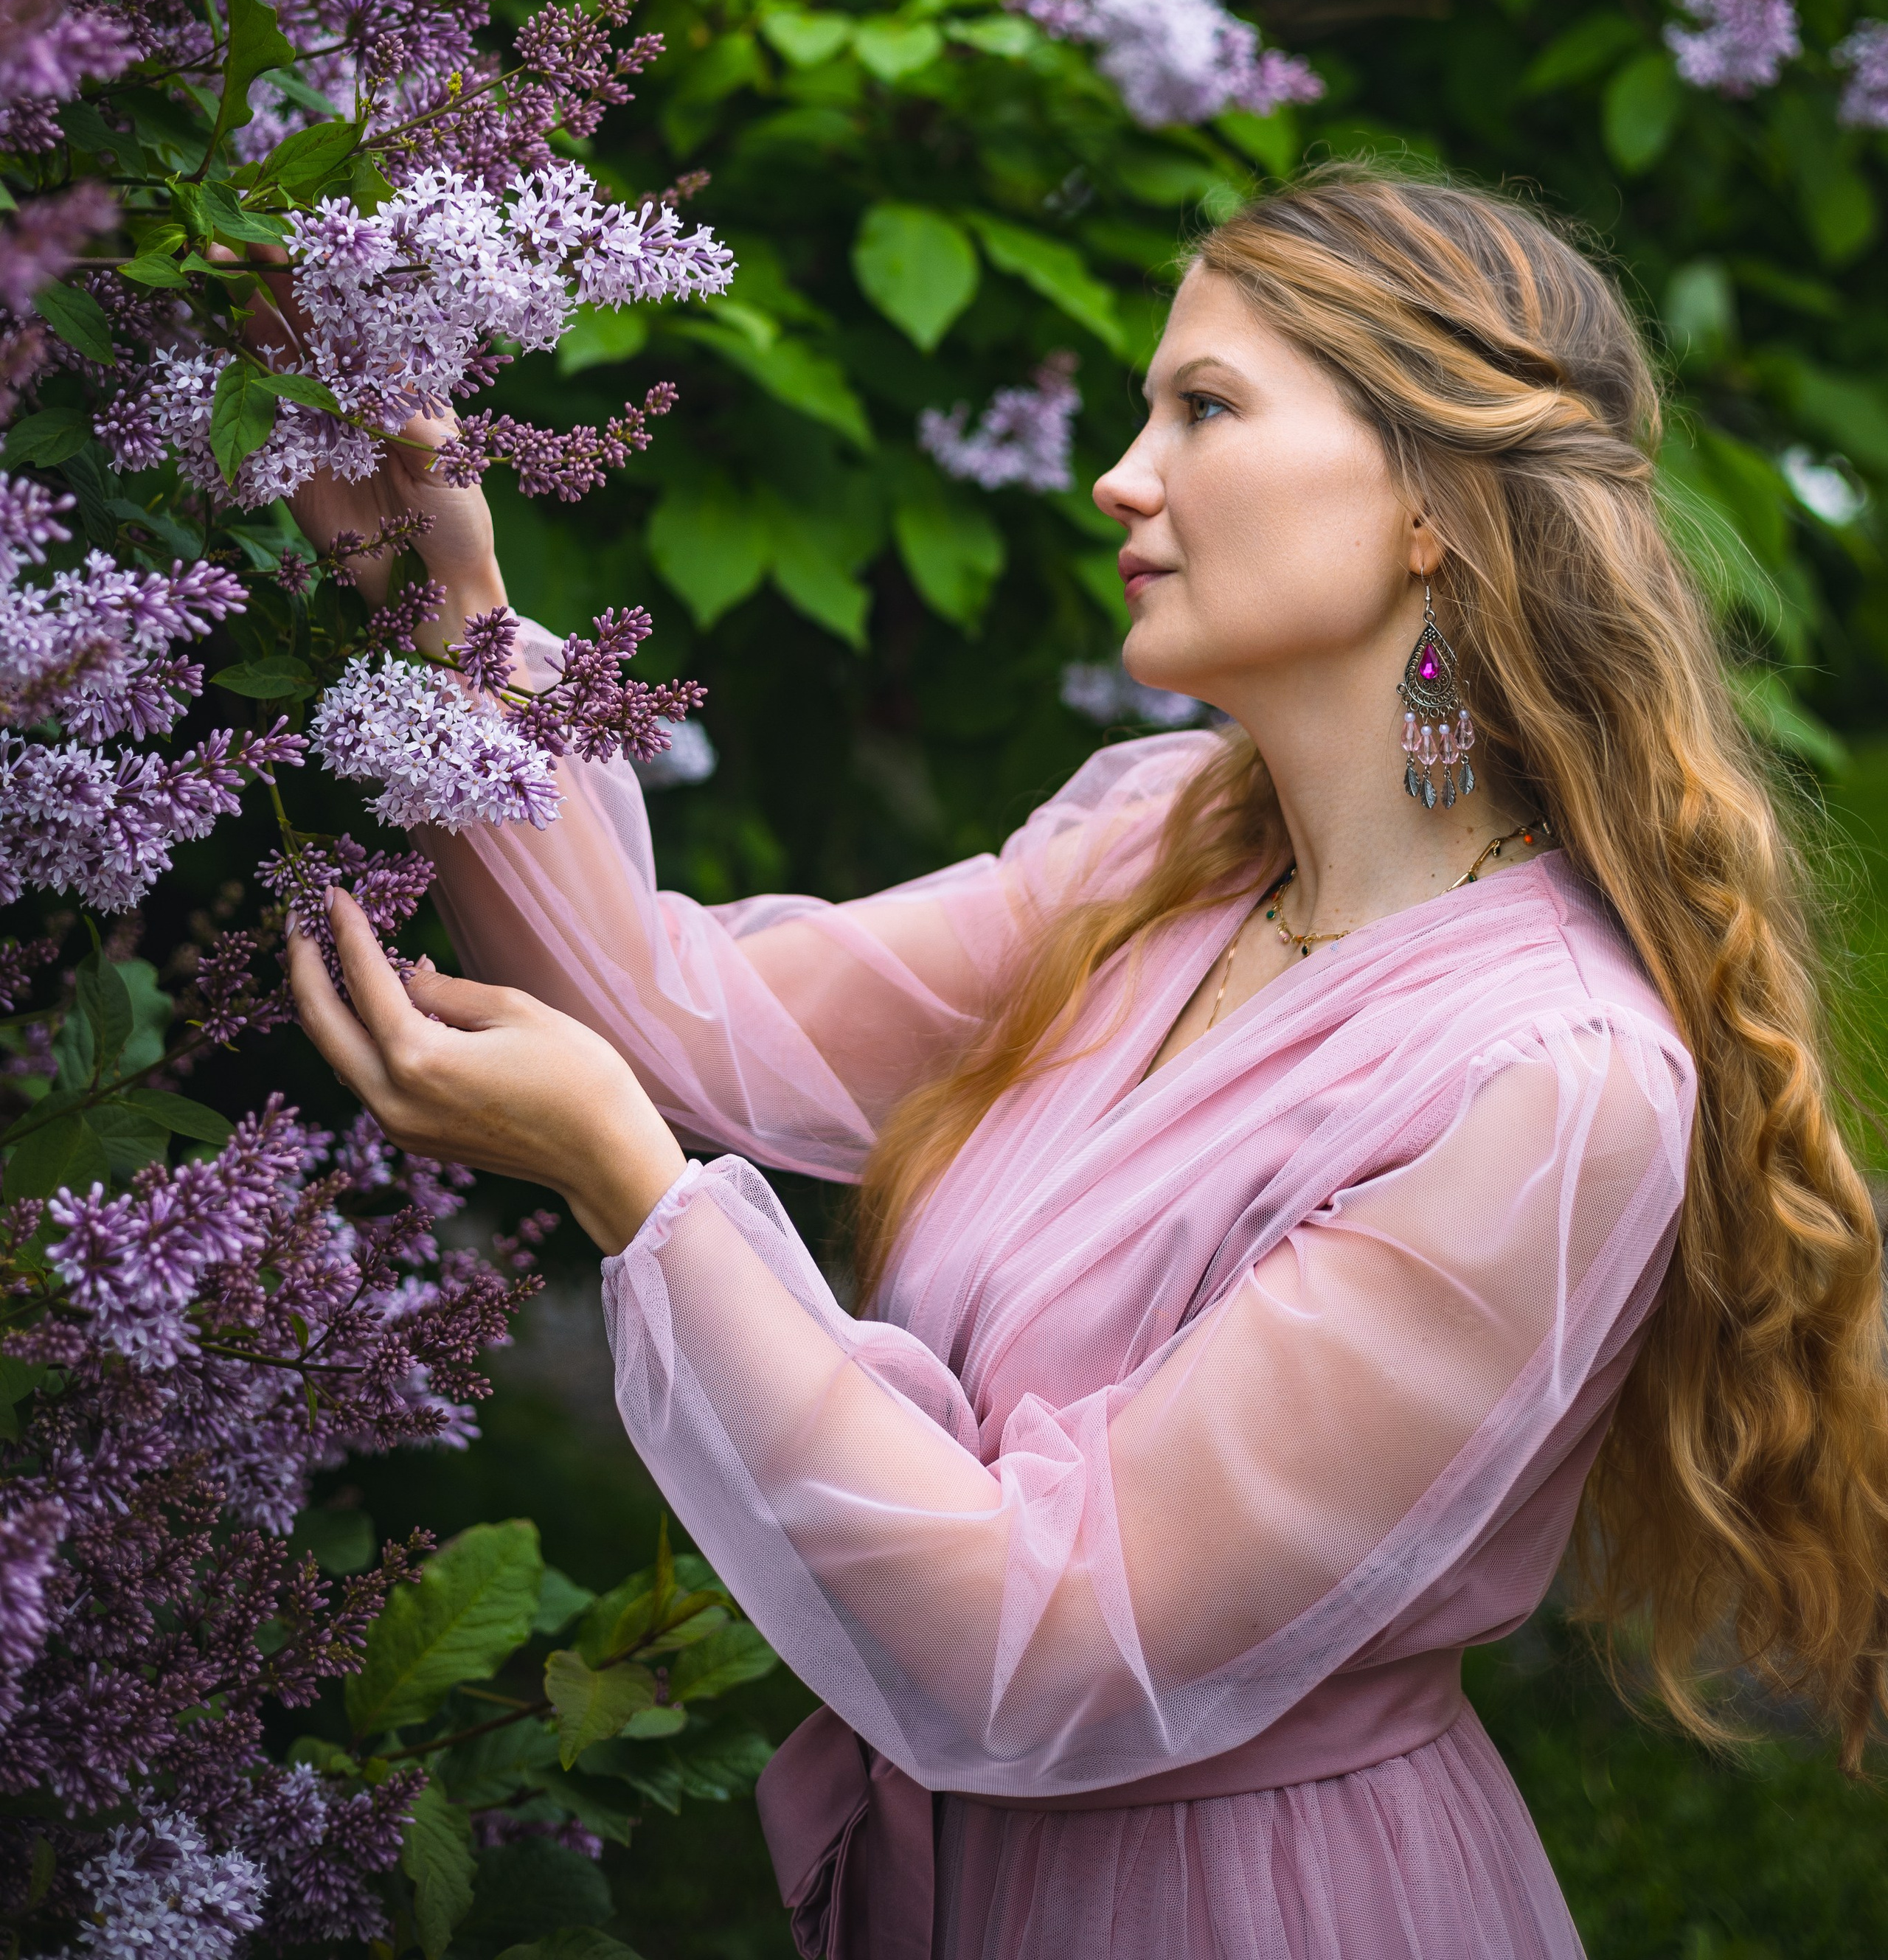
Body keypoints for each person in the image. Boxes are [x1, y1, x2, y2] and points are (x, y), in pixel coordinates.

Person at [285, 170, 1888, 1960]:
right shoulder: (1161, 852)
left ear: (1430, 505)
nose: (1119, 477)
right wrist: (432, 588)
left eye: (1202, 407)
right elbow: (673, 1018)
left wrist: (630, 1189)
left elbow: (1040, 1645)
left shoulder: (1546, 1079)